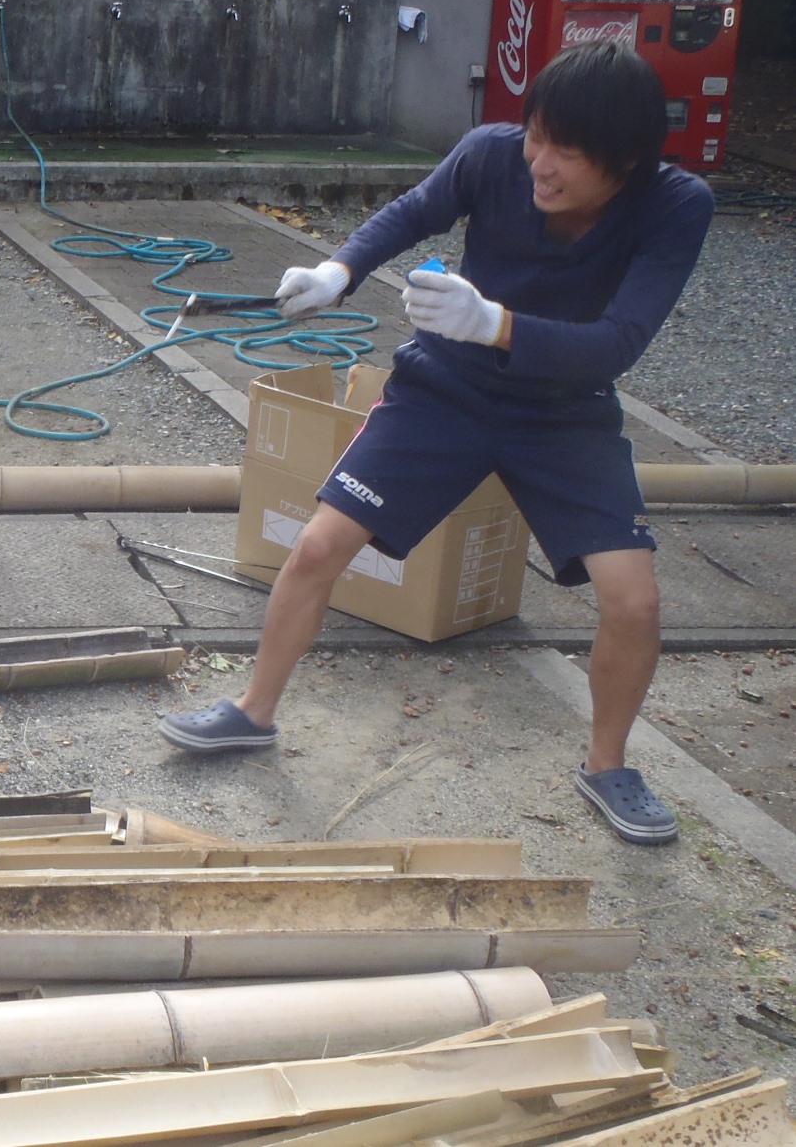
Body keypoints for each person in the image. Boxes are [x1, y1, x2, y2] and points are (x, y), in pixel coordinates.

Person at [158, 41, 714, 847]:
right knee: (318, 545)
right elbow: (411, 212)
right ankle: (250, 711)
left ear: (624, 160)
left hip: (563, 410)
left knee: (634, 599)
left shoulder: (674, 204)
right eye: (536, 135)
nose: (540, 164)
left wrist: (496, 323)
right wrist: (338, 271)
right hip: (445, 392)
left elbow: (619, 340)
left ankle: (606, 767)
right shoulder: (491, 155)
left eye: (567, 150)